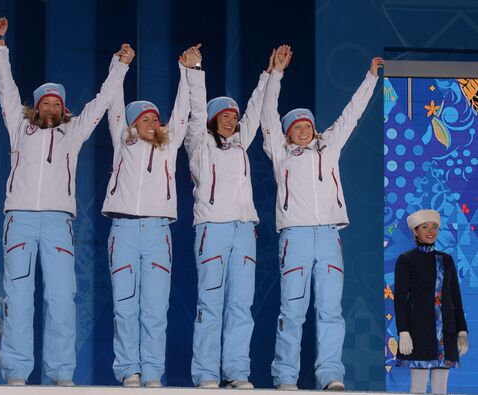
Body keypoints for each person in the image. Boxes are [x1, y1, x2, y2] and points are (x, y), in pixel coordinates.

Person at [0, 17, 131, 386]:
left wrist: (120, 66)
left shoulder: (73, 132)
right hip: (19, 218)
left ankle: (60, 373)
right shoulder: (19, 128)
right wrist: (1, 45)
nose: (52, 106)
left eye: (57, 102)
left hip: (58, 222)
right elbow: (6, 89)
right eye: (46, 102)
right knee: (18, 297)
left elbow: (101, 104)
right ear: (36, 107)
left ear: (64, 108)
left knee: (61, 300)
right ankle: (17, 372)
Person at [260, 45, 382, 390]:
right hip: (295, 237)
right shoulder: (280, 154)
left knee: (330, 311)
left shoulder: (329, 145)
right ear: (287, 133)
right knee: (293, 311)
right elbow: (268, 114)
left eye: (307, 125)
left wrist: (371, 78)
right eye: (296, 127)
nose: (303, 130)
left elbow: (351, 114)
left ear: (314, 128)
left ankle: (331, 375)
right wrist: (276, 74)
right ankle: (285, 377)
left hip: (329, 236)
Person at [101, 44, 204, 388]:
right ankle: (129, 369)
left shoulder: (169, 143)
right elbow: (113, 101)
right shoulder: (121, 140)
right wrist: (121, 65)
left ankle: (152, 373)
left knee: (155, 310)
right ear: (130, 124)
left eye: (155, 119)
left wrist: (188, 71)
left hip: (159, 232)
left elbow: (183, 108)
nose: (152, 122)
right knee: (125, 306)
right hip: (124, 230)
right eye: (144, 119)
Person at [184, 46, 278, 390]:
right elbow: (195, 111)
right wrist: (195, 71)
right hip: (212, 228)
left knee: (241, 304)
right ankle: (206, 373)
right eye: (224, 115)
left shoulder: (241, 143)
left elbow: (255, 109)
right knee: (210, 302)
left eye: (233, 116)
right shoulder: (198, 144)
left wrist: (268, 74)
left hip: (243, 230)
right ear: (212, 119)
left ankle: (237, 371)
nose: (231, 119)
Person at [395, 209, 468, 394]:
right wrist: (403, 330)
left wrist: (462, 330)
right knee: (418, 387)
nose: (431, 231)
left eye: (435, 227)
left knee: (440, 389)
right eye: (425, 227)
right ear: (415, 231)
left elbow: (455, 298)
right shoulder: (406, 260)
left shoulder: (446, 260)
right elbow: (401, 300)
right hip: (419, 331)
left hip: (446, 332)